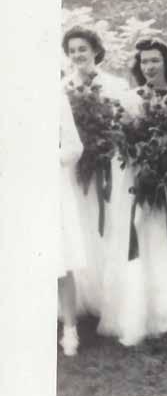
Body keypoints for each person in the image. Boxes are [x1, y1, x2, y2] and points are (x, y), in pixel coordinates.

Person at [106, 37, 167, 344]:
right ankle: (143, 309)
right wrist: (140, 160)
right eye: (144, 61)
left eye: (155, 60)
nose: (150, 66)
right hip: (140, 180)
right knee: (142, 236)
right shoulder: (130, 100)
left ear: (166, 63)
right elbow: (123, 144)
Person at [61, 26, 128, 319]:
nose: (78, 55)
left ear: (96, 50)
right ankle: (84, 297)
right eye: (72, 50)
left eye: (83, 49)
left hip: (107, 164)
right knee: (82, 225)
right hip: (77, 166)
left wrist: (105, 143)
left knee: (108, 224)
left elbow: (123, 125)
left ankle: (110, 297)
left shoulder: (115, 85)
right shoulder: (63, 87)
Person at [58, 91, 86, 355]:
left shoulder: (56, 96)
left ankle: (70, 328)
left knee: (61, 257)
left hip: (50, 183)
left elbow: (74, 147)